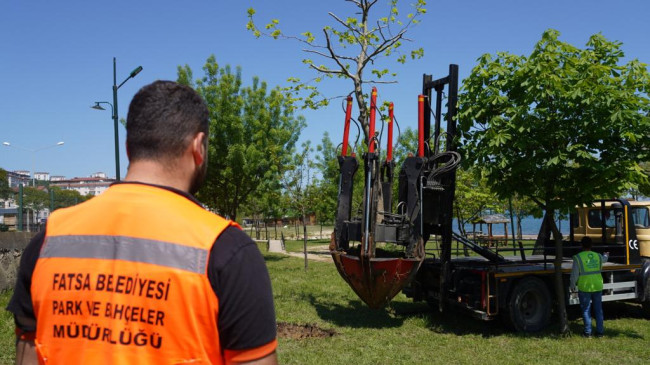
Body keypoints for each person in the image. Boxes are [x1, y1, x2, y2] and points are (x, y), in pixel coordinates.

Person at [7, 81, 277, 364]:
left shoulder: (49, 239)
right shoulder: (227, 250)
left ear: (128, 149)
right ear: (198, 147)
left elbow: (28, 355)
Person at [570, 237, 608, 338]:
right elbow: (605, 259)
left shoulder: (578, 257)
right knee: (598, 309)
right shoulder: (598, 256)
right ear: (592, 245)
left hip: (585, 286)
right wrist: (606, 254)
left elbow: (574, 274)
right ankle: (600, 332)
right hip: (597, 285)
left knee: (586, 309)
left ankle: (588, 332)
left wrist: (572, 285)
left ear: (581, 245)